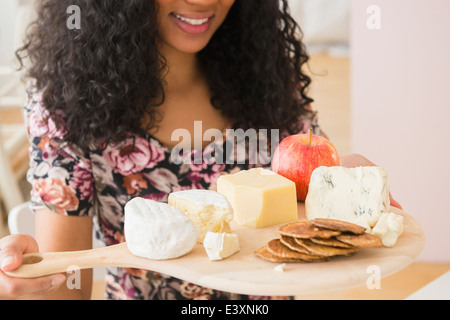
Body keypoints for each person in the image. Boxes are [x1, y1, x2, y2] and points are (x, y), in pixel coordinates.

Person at [0, 0, 401, 300]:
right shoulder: (65, 104)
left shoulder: (267, 76)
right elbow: (69, 286)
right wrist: (23, 281)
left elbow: (309, 196)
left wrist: (345, 181)